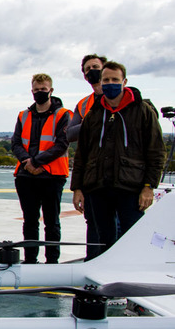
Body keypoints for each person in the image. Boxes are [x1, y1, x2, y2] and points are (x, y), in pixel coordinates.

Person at [71, 61, 165, 253]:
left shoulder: (143, 111)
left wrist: (149, 186)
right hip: (98, 186)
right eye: (106, 80)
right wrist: (78, 188)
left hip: (130, 187)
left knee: (132, 238)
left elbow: (156, 151)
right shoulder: (94, 114)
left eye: (115, 79)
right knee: (101, 239)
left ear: (125, 82)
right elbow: (82, 154)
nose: (110, 83)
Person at [11, 74, 71, 264]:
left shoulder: (63, 115)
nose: (39, 93)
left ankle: (52, 261)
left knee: (51, 222)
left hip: (52, 176)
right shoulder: (24, 115)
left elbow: (62, 144)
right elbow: (16, 143)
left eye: (43, 90)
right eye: (36, 90)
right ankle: (30, 260)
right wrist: (27, 161)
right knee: (29, 221)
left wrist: (37, 162)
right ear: (32, 91)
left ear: (51, 91)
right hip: (26, 176)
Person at [67, 54, 107, 260]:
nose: (92, 71)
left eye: (95, 67)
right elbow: (71, 133)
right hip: (92, 175)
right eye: (87, 69)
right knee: (94, 226)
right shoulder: (84, 104)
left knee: (119, 226)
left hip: (121, 176)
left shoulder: (128, 99)